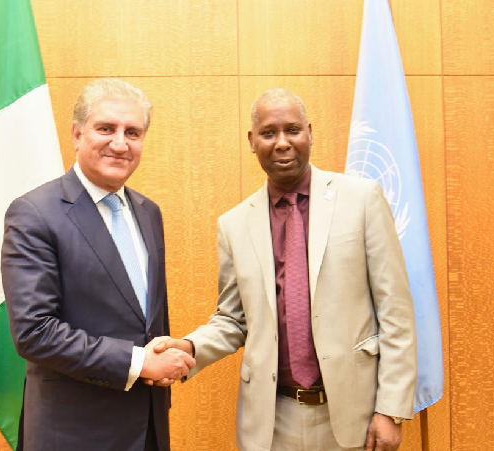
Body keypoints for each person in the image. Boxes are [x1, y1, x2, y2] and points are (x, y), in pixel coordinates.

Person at [150, 88, 416, 451]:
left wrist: (391, 409)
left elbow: (395, 312)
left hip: (356, 413)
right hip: (273, 421)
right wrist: (189, 347)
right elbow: (233, 320)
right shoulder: (234, 225)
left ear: (310, 132)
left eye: (292, 130)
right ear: (251, 141)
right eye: (268, 133)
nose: (282, 143)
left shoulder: (362, 199)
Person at [1, 78, 195, 451]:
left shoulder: (148, 212)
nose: (120, 143)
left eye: (133, 132)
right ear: (76, 133)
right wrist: (139, 362)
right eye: (106, 128)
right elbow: (34, 332)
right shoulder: (34, 214)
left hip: (148, 430)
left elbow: (144, 316)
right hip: (75, 434)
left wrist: (163, 353)